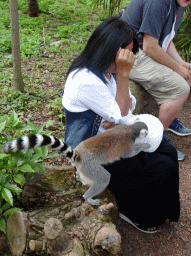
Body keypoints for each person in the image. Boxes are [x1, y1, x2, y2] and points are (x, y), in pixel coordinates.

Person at [62, 17, 180, 233]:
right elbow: (123, 112)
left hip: (111, 139)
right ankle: (137, 212)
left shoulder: (105, 71)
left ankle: (167, 211)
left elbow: (126, 108)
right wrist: (124, 76)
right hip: (93, 156)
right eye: (124, 54)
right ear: (106, 48)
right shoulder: (85, 79)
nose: (128, 59)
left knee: (168, 150)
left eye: (130, 53)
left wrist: (117, 116)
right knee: (162, 166)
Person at [120, 0, 191, 161]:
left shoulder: (180, 4)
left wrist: (181, 64)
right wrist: (176, 68)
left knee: (188, 75)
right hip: (130, 52)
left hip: (144, 49)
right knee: (181, 89)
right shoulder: (159, 2)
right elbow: (150, 47)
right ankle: (156, 140)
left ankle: (168, 119)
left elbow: (165, 38)